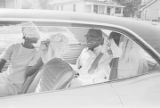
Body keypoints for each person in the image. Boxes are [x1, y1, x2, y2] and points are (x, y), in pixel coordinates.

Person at [0, 22, 40, 96]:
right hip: (4, 78)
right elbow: (1, 62)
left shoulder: (36, 53)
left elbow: (29, 72)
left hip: (15, 85)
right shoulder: (13, 47)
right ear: (24, 35)